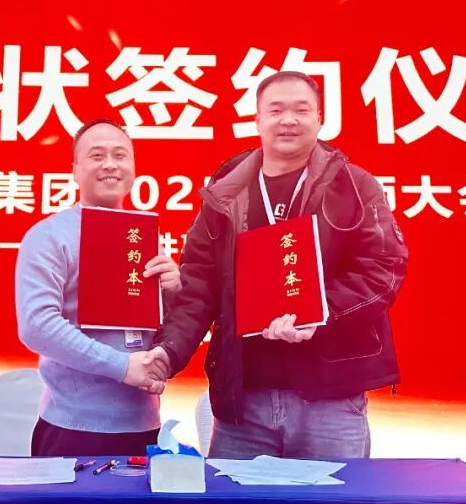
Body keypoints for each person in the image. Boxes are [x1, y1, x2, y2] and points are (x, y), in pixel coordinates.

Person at [146, 71, 408, 459]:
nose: (288, 120)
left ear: (319, 118)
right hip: (244, 402)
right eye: (275, 110)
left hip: (330, 400)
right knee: (237, 501)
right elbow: (199, 284)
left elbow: (383, 269)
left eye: (301, 110)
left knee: (334, 501)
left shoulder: (354, 186)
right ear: (257, 120)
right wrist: (168, 351)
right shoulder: (226, 192)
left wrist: (320, 312)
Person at [16, 118, 180, 457]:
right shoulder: (49, 236)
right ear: (75, 170)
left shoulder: (146, 239)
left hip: (145, 425)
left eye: (120, 155)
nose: (110, 164)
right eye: (96, 155)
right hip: (73, 430)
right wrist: (122, 367)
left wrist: (173, 292)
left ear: (133, 167)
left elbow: (160, 326)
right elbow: (37, 326)